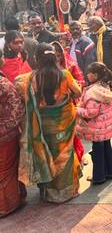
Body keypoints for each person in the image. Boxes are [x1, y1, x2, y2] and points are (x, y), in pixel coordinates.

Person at [15, 43, 82, 203]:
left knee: (45, 154)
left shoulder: (30, 78)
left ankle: (48, 193)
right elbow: (77, 92)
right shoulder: (65, 75)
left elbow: (21, 91)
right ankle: (66, 192)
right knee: (65, 155)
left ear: (36, 58)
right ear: (54, 57)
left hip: (41, 125)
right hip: (64, 123)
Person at [76, 62, 112, 183]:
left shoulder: (93, 91)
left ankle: (98, 177)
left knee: (98, 152)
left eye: (88, 73)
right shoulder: (108, 87)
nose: (86, 75)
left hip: (97, 128)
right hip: (106, 128)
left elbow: (91, 112)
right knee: (107, 147)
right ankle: (110, 172)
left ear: (94, 75)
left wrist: (76, 110)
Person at [0, 48, 26, 217]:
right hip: (5, 135)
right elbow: (18, 109)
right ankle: (6, 205)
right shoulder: (3, 84)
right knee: (5, 169)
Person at [87, 16, 112, 86]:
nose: (89, 27)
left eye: (91, 25)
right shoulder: (92, 36)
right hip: (97, 70)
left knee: (110, 89)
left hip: (109, 69)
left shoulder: (111, 34)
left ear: (97, 24)